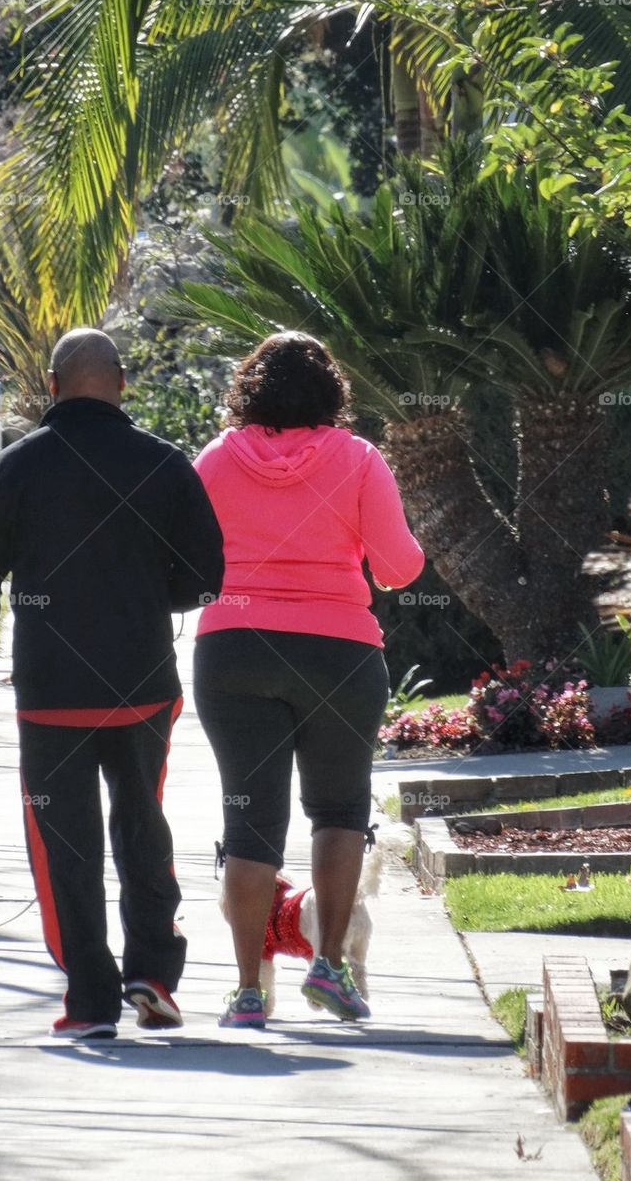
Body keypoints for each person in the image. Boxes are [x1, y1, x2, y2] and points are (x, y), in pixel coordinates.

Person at [0, 328, 224, 1039]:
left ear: (51, 385)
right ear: (123, 382)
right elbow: (205, 575)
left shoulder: (16, 468)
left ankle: (90, 1000)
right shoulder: (163, 463)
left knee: (61, 846)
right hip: (142, 686)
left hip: (53, 693)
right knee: (143, 827)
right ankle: (154, 973)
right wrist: (144, 597)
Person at [192, 332, 424, 1028]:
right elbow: (398, 568)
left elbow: (182, 558)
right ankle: (329, 966)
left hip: (233, 651)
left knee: (248, 822)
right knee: (338, 809)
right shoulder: (358, 460)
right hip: (338, 654)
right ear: (332, 393)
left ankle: (246, 992)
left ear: (248, 389)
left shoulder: (212, 461)